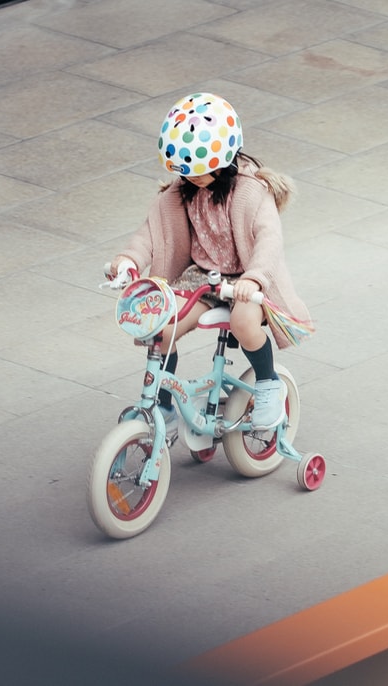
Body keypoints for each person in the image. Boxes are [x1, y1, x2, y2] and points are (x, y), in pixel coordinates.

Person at [108, 92, 309, 442]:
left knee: (245, 321)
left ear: (224, 161)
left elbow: (269, 239)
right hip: (203, 278)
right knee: (163, 327)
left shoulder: (250, 192)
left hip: (245, 280)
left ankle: (267, 384)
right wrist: (129, 260)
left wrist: (254, 278)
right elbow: (150, 235)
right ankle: (165, 407)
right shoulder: (181, 192)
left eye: (200, 172)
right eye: (186, 173)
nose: (192, 179)